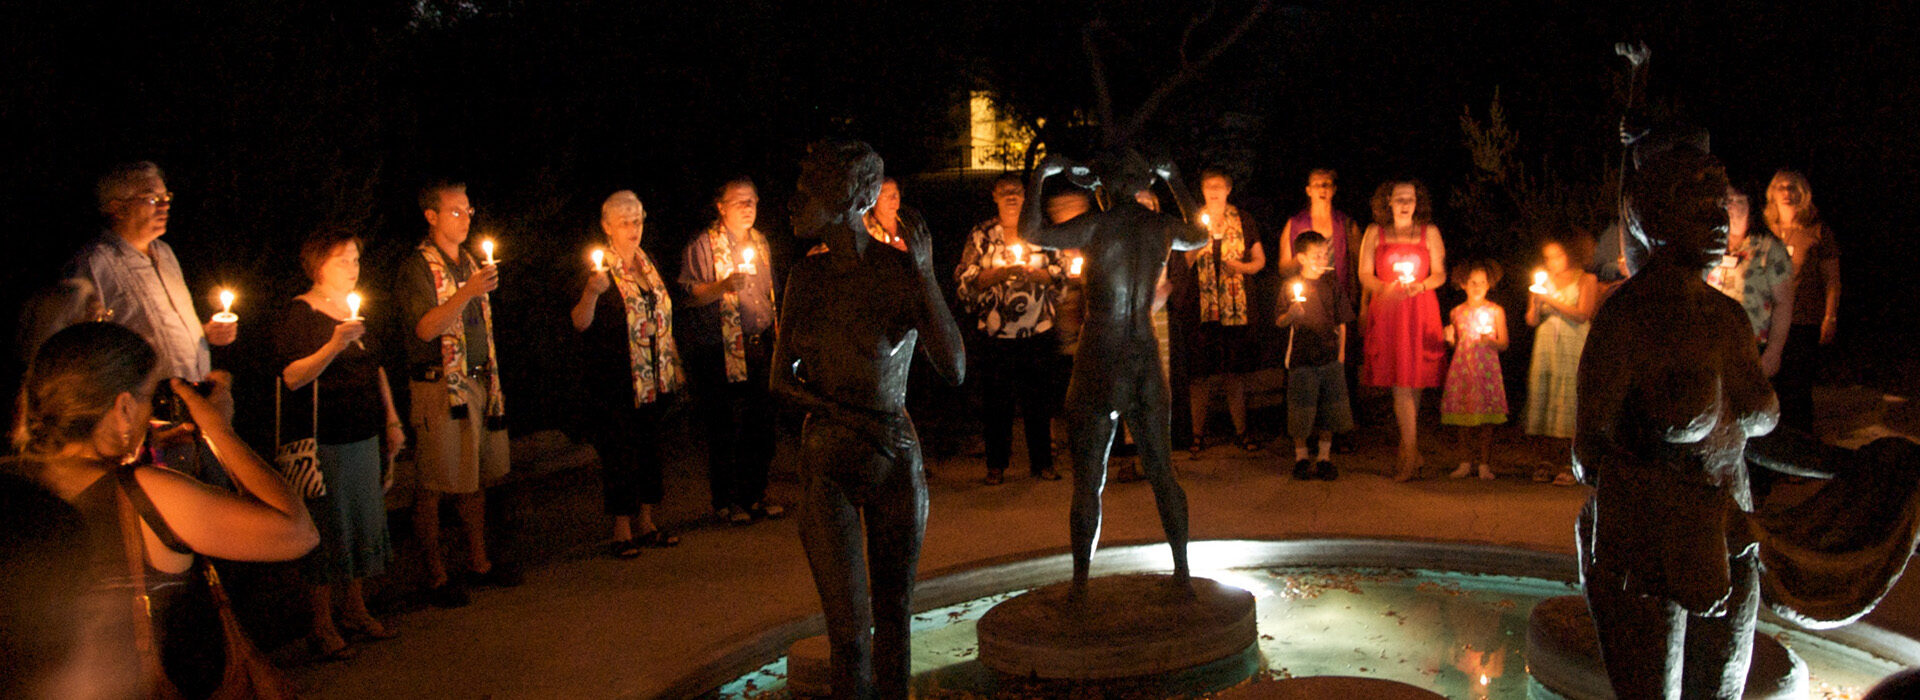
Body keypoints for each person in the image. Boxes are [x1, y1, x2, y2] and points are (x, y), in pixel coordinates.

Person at [11, 322, 317, 698]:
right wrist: (219, 429)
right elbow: (298, 532)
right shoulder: (146, 495)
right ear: (123, 406)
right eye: (147, 397)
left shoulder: (15, 487)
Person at [774, 139, 965, 700]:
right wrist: (846, 417)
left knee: (896, 621)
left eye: (807, 189)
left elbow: (953, 367)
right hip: (831, 458)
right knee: (851, 638)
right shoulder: (805, 280)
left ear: (847, 197)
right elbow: (780, 382)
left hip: (893, 463)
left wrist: (926, 276)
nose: (792, 201)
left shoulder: (897, 272)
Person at [1023, 151, 1212, 591]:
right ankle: (1181, 571)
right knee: (1162, 469)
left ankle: (1080, 581)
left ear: (1103, 187)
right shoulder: (1161, 225)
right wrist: (1175, 176)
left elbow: (1031, 231)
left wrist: (1040, 177)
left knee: (1089, 479)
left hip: (1100, 351)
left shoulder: (1096, 225)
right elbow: (1199, 233)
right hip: (1142, 349)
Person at [274, 229, 406, 658]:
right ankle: (321, 623)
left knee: (361, 527)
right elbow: (293, 376)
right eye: (343, 260)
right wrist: (334, 343)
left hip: (363, 435)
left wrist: (391, 419)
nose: (353, 268)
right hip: (325, 443)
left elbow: (375, 368)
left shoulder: (353, 310)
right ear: (317, 266)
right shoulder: (302, 313)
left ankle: (356, 609)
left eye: (355, 259)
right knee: (330, 531)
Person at [68, 162, 238, 482]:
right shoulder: (95, 262)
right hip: (150, 425)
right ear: (116, 208)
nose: (163, 206)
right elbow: (83, 345)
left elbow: (163, 327)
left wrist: (205, 334)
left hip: (199, 413)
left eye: (166, 197)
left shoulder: (166, 254)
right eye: (151, 198)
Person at [395, 179, 518, 609]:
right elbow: (426, 328)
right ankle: (435, 574)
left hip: (480, 380)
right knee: (435, 481)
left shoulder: (469, 261)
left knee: (476, 476)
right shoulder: (416, 267)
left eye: (468, 210)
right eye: (454, 211)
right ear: (430, 217)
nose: (465, 218)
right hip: (439, 386)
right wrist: (468, 292)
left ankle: (478, 561)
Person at [572, 191, 684, 558]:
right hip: (616, 377)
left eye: (638, 220)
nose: (634, 228)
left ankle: (647, 520)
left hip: (654, 374)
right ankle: (621, 527)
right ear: (607, 226)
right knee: (619, 450)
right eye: (625, 222)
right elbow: (579, 322)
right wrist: (591, 292)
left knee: (650, 447)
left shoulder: (647, 263)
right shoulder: (597, 266)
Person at [679, 177, 783, 525]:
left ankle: (756, 495)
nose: (748, 208)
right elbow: (690, 295)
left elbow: (770, 293)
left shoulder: (761, 243)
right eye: (739, 201)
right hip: (719, 349)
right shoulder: (703, 245)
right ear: (720, 206)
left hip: (758, 345)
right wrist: (722, 286)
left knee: (761, 424)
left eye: (752, 201)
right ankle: (726, 500)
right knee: (726, 426)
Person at [954, 173, 1064, 484]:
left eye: (1017, 191)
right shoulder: (983, 234)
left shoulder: (1040, 230)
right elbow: (967, 277)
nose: (1012, 197)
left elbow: (1059, 273)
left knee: (1038, 402)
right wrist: (1000, 274)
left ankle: (1042, 462)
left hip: (1037, 330)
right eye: (1005, 192)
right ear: (995, 196)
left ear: (1026, 196)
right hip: (996, 334)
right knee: (996, 403)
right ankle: (996, 465)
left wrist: (1033, 273)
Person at [1357, 180, 1447, 481]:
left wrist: (1419, 285)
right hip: (1389, 310)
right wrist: (1386, 288)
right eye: (1399, 199)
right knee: (1400, 382)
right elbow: (1364, 274)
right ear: (1389, 203)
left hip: (1420, 309)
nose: (1405, 204)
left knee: (1415, 381)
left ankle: (1409, 449)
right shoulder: (1375, 233)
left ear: (1417, 202)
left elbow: (1440, 274)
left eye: (1410, 198)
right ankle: (1410, 452)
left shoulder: (1429, 232)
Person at [1184, 169, 1266, 454]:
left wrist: (1240, 268)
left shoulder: (1243, 219)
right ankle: (1196, 434)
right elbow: (1183, 262)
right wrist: (1197, 242)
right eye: (1208, 187)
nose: (1214, 191)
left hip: (1236, 308)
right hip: (1203, 310)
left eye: (1219, 186)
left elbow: (1259, 261)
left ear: (1229, 189)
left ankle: (1241, 431)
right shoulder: (1194, 220)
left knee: (1235, 373)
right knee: (1200, 375)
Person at [1764, 170, 1840, 434]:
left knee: (1798, 387)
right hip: (1767, 324)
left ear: (1804, 194)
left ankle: (1803, 444)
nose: (1786, 192)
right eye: (1781, 187)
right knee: (1769, 387)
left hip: (1802, 321)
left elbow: (1831, 280)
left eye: (1793, 187)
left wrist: (1829, 317)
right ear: (1772, 193)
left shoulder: (1817, 232)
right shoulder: (1766, 230)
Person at [1275, 231, 1353, 480]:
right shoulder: (1290, 287)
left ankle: (1324, 457)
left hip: (1329, 355)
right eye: (1316, 255)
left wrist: (1341, 354)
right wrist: (1291, 316)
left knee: (1330, 408)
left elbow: (1342, 322)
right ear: (1301, 258)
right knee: (1301, 408)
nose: (1323, 259)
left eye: (1325, 254)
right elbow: (1279, 321)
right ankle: (1301, 457)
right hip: (1301, 357)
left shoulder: (1332, 283)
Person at [1523, 238, 1598, 486]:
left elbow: (1582, 314)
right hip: (1546, 346)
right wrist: (1536, 301)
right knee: (1545, 398)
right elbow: (1532, 320)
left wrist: (1551, 301)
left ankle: (1569, 461)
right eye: (1547, 257)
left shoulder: (1586, 279)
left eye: (1557, 256)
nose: (1552, 262)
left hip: (1572, 345)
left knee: (1568, 400)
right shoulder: (1542, 283)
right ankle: (1545, 459)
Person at [1707, 182, 1794, 378]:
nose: (1729, 206)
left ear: (1750, 204)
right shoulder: (1711, 245)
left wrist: (1774, 352)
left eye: (1735, 201)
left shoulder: (1769, 249)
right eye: (1724, 201)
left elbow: (1784, 302)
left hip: (1751, 347)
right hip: (1711, 346)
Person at [1440, 260, 1508, 480]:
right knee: (1463, 417)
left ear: (1489, 285)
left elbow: (1504, 343)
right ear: (1463, 284)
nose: (1477, 286)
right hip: (1463, 369)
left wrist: (1491, 341)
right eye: (1473, 282)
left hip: (1487, 371)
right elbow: (1456, 342)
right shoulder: (1456, 312)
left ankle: (1484, 464)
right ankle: (1464, 461)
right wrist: (1449, 340)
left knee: (1486, 419)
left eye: (1482, 282)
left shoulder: (1496, 311)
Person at [1279, 169, 1362, 301]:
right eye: (1317, 185)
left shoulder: (1347, 224)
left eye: (1327, 184)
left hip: (1340, 297)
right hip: (1308, 296)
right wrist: (1303, 256)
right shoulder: (1295, 224)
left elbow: (1361, 266)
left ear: (1334, 189)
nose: (1322, 188)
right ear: (1309, 191)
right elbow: (1284, 269)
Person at [861, 177, 914, 252]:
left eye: (895, 195)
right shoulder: (866, 233)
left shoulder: (912, 223)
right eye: (886, 196)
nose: (893, 200)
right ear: (873, 202)